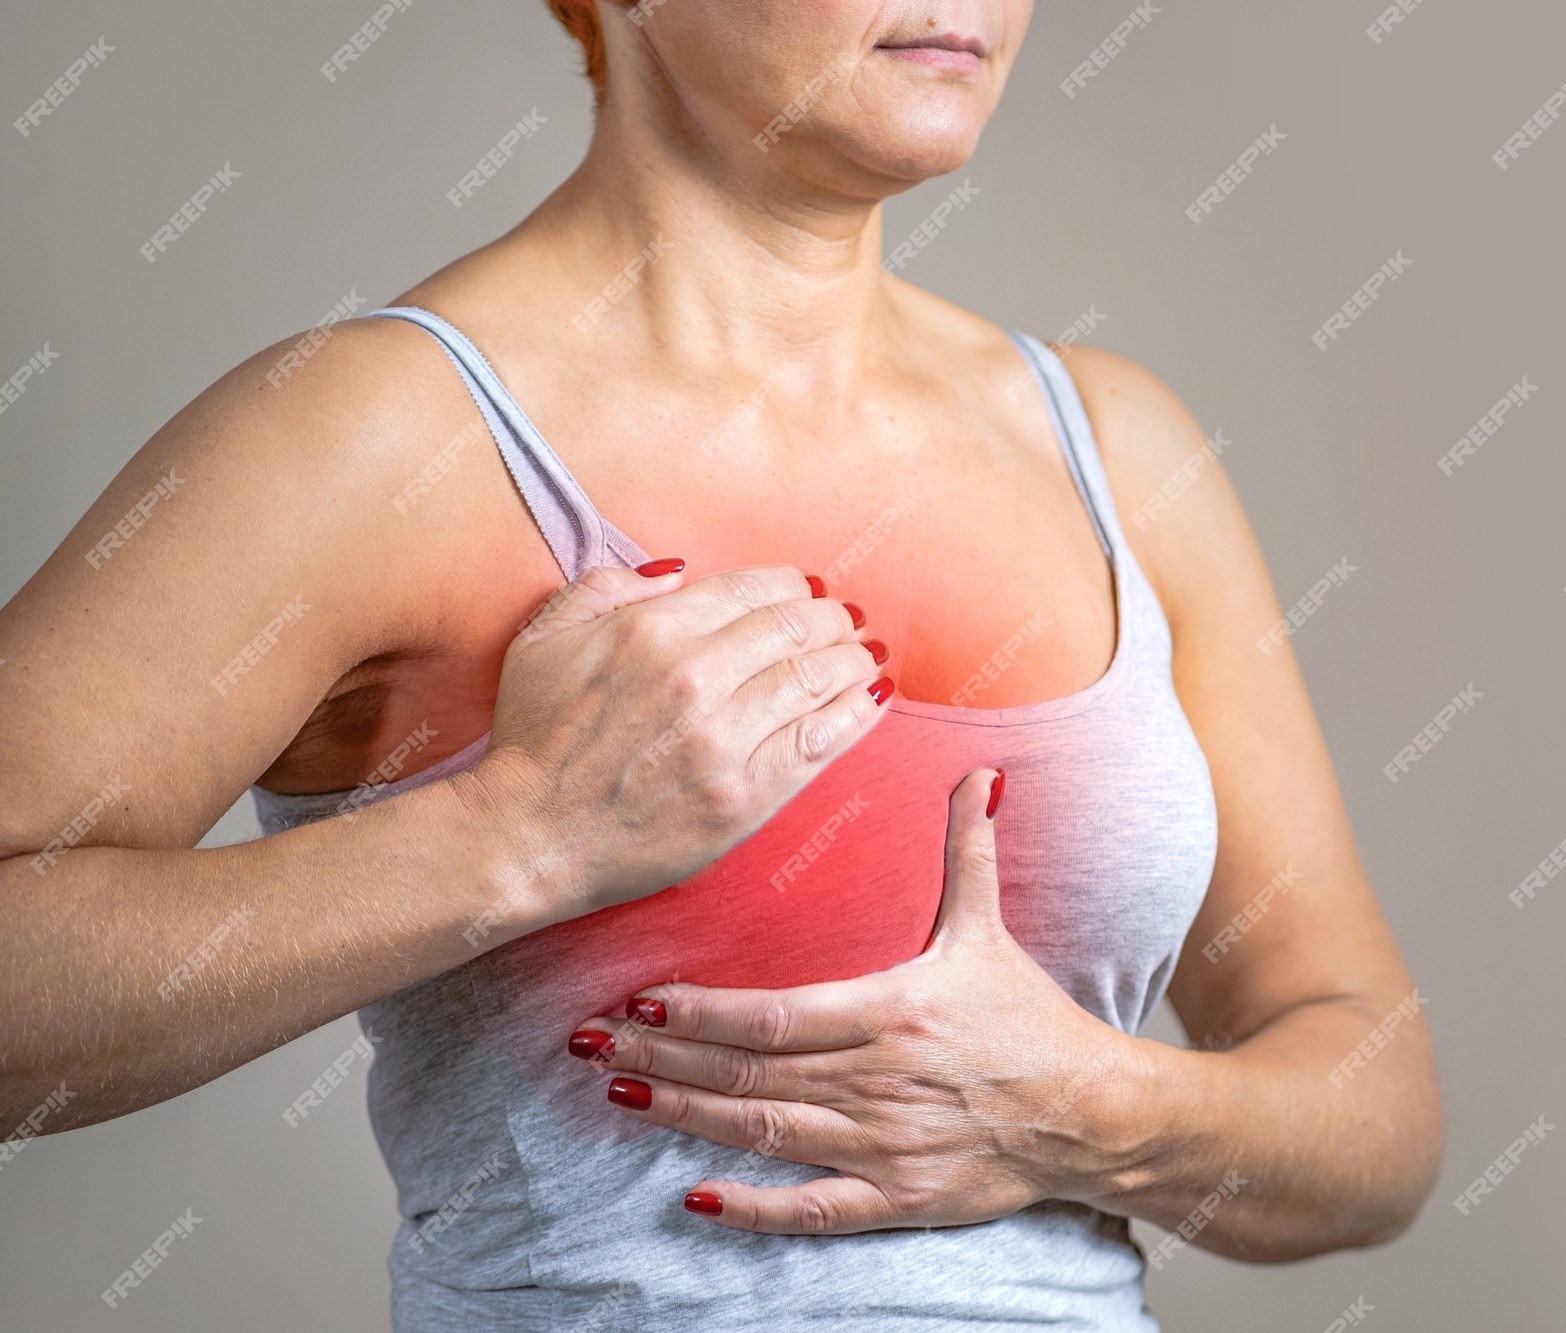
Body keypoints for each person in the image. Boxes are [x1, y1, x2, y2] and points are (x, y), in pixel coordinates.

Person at [0, 1, 1442, 1326]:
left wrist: (1084, 1105)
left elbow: (1376, 1118)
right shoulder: (374, 437)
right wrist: (508, 837)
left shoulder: (1116, 446)